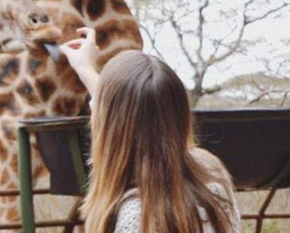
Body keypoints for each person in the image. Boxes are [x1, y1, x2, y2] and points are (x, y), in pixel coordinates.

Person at [60, 28, 242, 233]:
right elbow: (138, 113)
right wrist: (85, 68)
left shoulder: (135, 217)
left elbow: (121, 116)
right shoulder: (212, 179)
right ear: (180, 115)